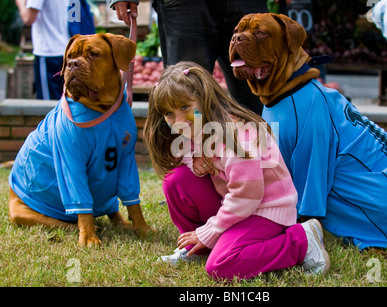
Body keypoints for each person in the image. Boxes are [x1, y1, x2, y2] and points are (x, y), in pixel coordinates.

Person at [143, 61, 330, 280]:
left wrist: (210, 230)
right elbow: (186, 153)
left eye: (185, 107)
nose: (179, 121)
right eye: (169, 114)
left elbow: (247, 196)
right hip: (238, 206)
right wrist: (194, 158)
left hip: (265, 211)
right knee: (175, 180)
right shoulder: (200, 128)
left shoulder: (237, 137)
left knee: (220, 266)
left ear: (204, 99)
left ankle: (301, 241)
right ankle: (199, 247)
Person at [110, 0, 268, 115]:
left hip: (248, 3)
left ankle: (262, 159)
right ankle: (189, 161)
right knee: (185, 98)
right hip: (185, 5)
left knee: (257, 102)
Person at [15, 0, 95, 100]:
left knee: (47, 105)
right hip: (70, 52)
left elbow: (28, 18)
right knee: (70, 102)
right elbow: (75, 17)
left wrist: (20, 3)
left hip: (48, 52)